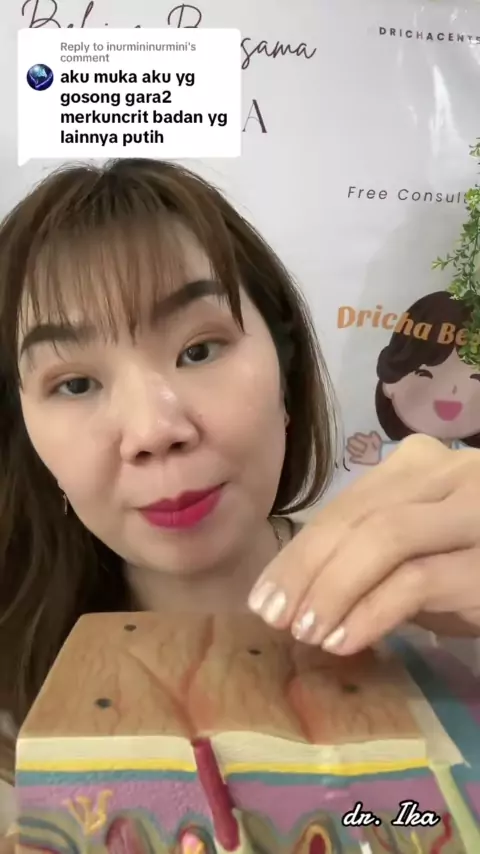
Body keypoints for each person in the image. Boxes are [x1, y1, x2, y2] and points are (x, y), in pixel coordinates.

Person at [0, 159, 479, 846]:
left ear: (285, 366)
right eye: (74, 384)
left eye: (199, 350)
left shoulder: (443, 618)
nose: (153, 430)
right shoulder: (14, 722)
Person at [347, 291, 480, 466]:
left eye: (476, 378)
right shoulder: (405, 452)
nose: (452, 389)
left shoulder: (468, 458)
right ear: (391, 383)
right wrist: (379, 454)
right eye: (426, 375)